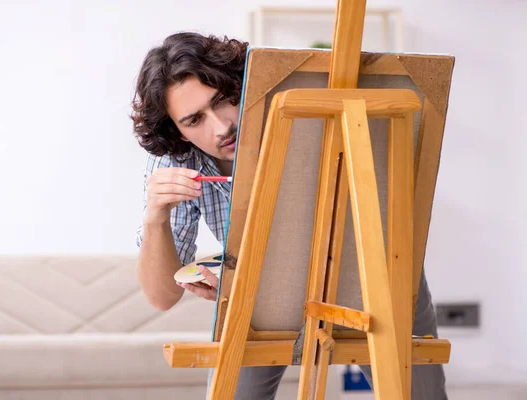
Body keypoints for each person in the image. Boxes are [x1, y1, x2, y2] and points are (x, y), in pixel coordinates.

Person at [131, 31, 448, 400]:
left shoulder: (299, 104)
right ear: (178, 133)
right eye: (194, 120)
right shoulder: (176, 161)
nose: (221, 127)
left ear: (240, 86)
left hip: (372, 274)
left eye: (222, 101)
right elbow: (161, 297)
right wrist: (155, 216)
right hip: (260, 296)